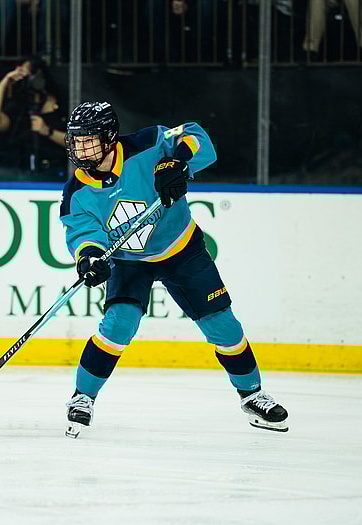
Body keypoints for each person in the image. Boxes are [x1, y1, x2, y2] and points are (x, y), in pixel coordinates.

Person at [59, 101, 289, 438]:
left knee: (222, 324)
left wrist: (177, 161)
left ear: (109, 137)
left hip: (182, 250)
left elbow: (196, 136)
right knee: (119, 324)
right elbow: (82, 233)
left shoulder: (149, 144)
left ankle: (252, 395)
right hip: (129, 261)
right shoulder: (76, 192)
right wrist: (89, 257)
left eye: (89, 140)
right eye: (76, 141)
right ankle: (82, 397)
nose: (81, 149)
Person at [0, 56, 67, 178]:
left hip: (55, 171)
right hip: (22, 173)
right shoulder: (19, 107)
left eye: (27, 72)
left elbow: (77, 143)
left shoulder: (63, 104)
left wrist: (48, 132)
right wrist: (3, 83)